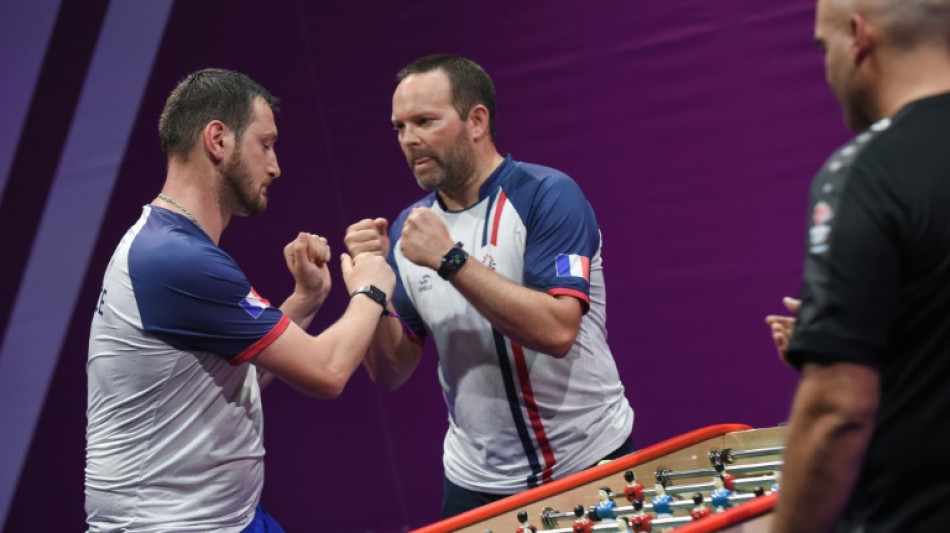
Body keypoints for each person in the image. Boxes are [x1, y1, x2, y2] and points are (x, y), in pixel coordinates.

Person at [85, 68, 395, 532]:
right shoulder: (176, 259)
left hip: (230, 518)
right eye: (265, 144)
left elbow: (234, 374)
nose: (275, 166)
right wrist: (371, 286)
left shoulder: (170, 244)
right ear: (218, 140)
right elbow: (327, 372)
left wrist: (306, 300)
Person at [343, 54, 634, 517]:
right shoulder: (406, 231)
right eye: (399, 127)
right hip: (475, 485)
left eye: (424, 121)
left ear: (476, 121)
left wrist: (451, 260)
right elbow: (391, 370)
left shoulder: (549, 195)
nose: (408, 139)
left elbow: (558, 332)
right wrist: (371, 288)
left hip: (591, 459)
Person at [771, 0, 950, 531]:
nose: (828, 69)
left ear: (858, 37)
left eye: (826, 49)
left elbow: (838, 410)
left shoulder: (865, 174)